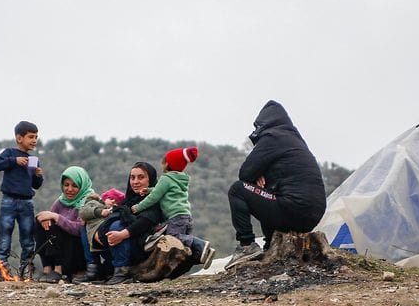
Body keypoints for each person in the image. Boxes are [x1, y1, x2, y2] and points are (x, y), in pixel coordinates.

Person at [226, 100, 327, 269]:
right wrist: (263, 175)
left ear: (263, 123)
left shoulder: (273, 137)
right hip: (312, 214)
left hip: (293, 207)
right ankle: (270, 246)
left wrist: (257, 173)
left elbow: (245, 173)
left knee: (237, 190)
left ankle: (246, 246)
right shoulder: (294, 140)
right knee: (270, 192)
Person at [131, 146, 215, 268]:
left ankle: (201, 245)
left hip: (175, 217)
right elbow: (164, 190)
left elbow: (154, 197)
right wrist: (148, 190)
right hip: (186, 215)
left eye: (164, 161)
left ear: (167, 164)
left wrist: (138, 207)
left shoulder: (165, 179)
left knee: (174, 238)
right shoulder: (180, 178)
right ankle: (204, 255)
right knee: (184, 244)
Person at [0, 121, 44, 275]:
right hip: (8, 200)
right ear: (19, 138)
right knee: (5, 234)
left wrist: (38, 176)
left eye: (36, 137)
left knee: (28, 237)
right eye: (31, 137)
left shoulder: (34, 160)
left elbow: (36, 185)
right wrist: (14, 161)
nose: (34, 140)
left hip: (27, 202)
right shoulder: (9, 153)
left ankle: (26, 268)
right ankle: (1, 268)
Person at [34, 166, 91, 282]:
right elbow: (49, 221)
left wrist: (57, 217)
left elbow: (79, 229)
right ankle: (47, 268)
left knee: (56, 226)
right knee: (41, 225)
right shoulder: (61, 201)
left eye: (74, 186)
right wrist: (42, 219)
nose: (69, 189)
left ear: (82, 186)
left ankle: (59, 270)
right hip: (61, 249)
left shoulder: (88, 201)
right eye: (66, 185)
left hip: (76, 252)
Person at [76, 187, 124, 282]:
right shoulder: (95, 203)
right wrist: (100, 211)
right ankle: (93, 270)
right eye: (110, 198)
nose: (113, 201)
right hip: (93, 235)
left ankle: (108, 272)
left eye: (116, 201)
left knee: (109, 254)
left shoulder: (116, 212)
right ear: (104, 198)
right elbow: (83, 212)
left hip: (106, 236)